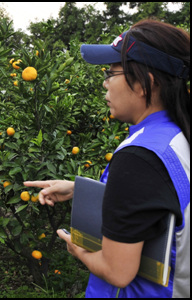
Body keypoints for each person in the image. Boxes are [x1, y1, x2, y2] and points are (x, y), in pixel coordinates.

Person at [25, 19, 189, 298]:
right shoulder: (174, 137)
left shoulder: (139, 158)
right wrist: (81, 189)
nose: (104, 83)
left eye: (111, 72)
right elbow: (159, 198)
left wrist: (78, 248)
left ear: (144, 84)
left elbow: (118, 271)